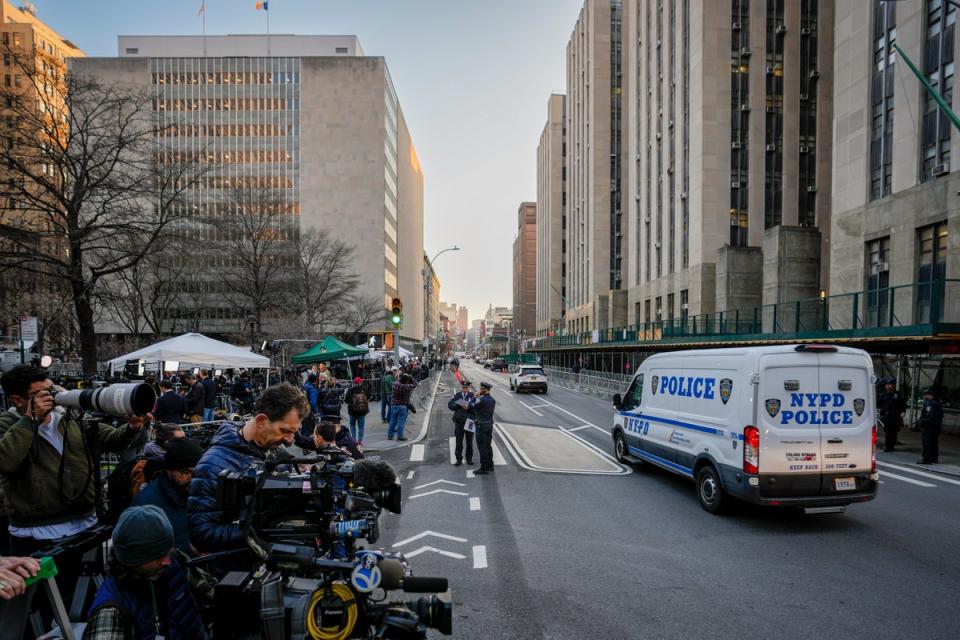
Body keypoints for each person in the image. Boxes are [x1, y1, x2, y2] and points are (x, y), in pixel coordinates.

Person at [0, 365, 147, 637]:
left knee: (82, 601)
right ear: (17, 400)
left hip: (84, 525)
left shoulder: (68, 418)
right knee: (39, 611)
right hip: (36, 534)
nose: (51, 397)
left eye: (51, 389)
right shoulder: (8, 425)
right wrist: (30, 420)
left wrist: (132, 427)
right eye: (40, 393)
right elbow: (4, 461)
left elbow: (111, 440)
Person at [188, 383, 309, 555]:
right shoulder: (212, 465)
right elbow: (202, 534)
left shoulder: (271, 449)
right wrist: (262, 528)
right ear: (261, 421)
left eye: (294, 432)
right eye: (284, 430)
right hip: (237, 570)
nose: (290, 440)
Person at [83, 506, 208, 640]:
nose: (167, 561)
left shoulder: (174, 560)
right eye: (157, 556)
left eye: (167, 551)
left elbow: (210, 591)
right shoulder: (110, 613)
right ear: (132, 560)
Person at [133, 437, 203, 554]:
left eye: (196, 472)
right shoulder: (146, 505)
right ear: (169, 470)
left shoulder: (198, 491)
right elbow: (143, 555)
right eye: (185, 472)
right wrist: (187, 548)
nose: (192, 477)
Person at [469, 381, 497, 475]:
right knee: (488, 446)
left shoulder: (482, 400)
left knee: (482, 448)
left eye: (481, 389)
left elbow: (470, 406)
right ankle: (490, 465)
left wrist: (475, 396)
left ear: (484, 390)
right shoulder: (492, 400)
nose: (480, 390)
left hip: (481, 426)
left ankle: (484, 468)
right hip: (489, 425)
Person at [447, 380, 475, 466]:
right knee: (459, 441)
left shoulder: (472, 396)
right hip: (459, 422)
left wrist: (467, 405)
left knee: (469, 442)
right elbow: (450, 405)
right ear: (462, 387)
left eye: (466, 387)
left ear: (469, 388)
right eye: (463, 387)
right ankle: (458, 459)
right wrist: (459, 404)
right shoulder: (458, 396)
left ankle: (469, 458)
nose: (465, 389)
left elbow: (476, 408)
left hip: (470, 422)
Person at [877, 379, 906, 453]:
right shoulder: (883, 394)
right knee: (888, 431)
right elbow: (879, 403)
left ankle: (892, 445)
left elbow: (902, 404)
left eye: (890, 385)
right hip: (887, 415)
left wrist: (903, 412)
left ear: (893, 386)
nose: (888, 386)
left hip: (896, 415)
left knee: (894, 431)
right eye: (887, 385)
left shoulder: (897, 394)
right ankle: (888, 447)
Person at [387, 373, 417, 441]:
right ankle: (400, 436)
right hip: (402, 406)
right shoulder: (406, 386)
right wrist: (411, 376)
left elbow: (399, 380)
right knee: (401, 422)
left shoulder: (395, 384)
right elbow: (415, 384)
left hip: (394, 405)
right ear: (406, 381)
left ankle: (390, 435)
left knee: (392, 420)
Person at [917, 388, 943, 465]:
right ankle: (934, 458)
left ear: (930, 395)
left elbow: (929, 416)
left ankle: (926, 459)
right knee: (934, 443)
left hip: (928, 427)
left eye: (926, 395)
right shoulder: (937, 403)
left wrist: (922, 421)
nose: (924, 396)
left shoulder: (930, 404)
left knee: (927, 443)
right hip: (935, 427)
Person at [345, 376, 370, 444]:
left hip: (352, 412)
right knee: (361, 426)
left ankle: (354, 440)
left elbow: (346, 400)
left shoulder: (350, 390)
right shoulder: (364, 389)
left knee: (352, 425)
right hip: (362, 411)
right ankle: (360, 441)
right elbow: (368, 397)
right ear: (360, 382)